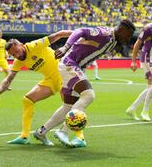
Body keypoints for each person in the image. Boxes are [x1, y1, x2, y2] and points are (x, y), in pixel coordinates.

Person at [33, 19, 135, 148]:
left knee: (68, 106)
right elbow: (80, 31)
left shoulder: (113, 41)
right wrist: (66, 47)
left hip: (74, 66)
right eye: (128, 35)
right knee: (89, 95)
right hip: (70, 63)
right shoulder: (104, 34)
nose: (128, 39)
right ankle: (63, 131)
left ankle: (42, 131)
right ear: (122, 30)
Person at [0, 30, 72, 145]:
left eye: (17, 51)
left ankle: (80, 137)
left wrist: (79, 33)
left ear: (21, 45)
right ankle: (24, 136)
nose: (17, 55)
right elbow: (9, 79)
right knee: (27, 100)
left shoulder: (35, 45)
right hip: (50, 81)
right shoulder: (18, 61)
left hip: (64, 75)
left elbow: (58, 35)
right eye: (13, 55)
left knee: (71, 107)